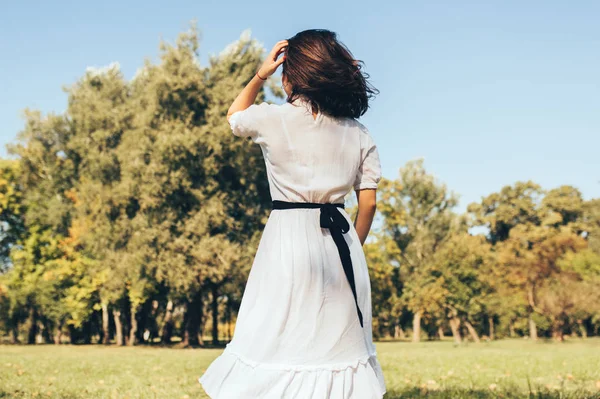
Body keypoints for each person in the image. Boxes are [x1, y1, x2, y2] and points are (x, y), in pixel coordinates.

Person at [199, 29, 386, 399]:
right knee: (335, 344)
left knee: (277, 335)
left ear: (290, 76)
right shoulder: (358, 132)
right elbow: (369, 203)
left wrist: (259, 75)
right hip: (342, 243)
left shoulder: (274, 119)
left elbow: (234, 115)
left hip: (287, 240)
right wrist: (354, 246)